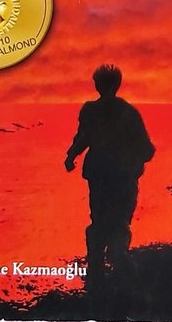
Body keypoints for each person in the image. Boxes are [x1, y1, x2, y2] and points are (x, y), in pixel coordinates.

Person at [64, 64, 155, 284]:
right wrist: (134, 166)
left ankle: (99, 270)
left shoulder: (90, 110)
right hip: (120, 176)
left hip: (102, 174)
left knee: (99, 221)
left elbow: (83, 138)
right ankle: (116, 266)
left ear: (99, 85)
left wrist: (71, 156)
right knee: (119, 222)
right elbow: (147, 149)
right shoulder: (128, 112)